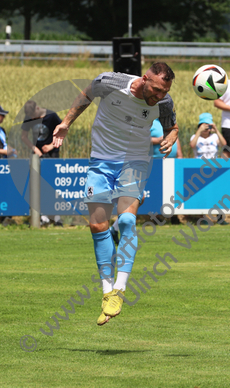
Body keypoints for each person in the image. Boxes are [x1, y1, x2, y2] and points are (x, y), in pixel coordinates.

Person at [52, 62, 178, 326]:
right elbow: (85, 96)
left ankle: (119, 290)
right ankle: (106, 291)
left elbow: (171, 126)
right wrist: (66, 123)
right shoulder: (109, 83)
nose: (159, 96)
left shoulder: (164, 102)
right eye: (155, 89)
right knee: (98, 225)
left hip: (135, 161)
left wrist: (172, 136)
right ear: (144, 79)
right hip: (101, 161)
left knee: (127, 221)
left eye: (164, 91)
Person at [110, 117, 182, 245]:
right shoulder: (145, 119)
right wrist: (159, 140)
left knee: (140, 197)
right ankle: (114, 230)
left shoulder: (165, 121)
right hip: (147, 164)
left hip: (165, 165)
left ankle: (115, 229)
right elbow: (136, 140)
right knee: (137, 197)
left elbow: (174, 134)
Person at [21, 100, 63, 226]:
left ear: (38, 108)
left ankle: (56, 217)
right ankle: (43, 217)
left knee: (53, 185)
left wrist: (51, 146)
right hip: (37, 156)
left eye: (34, 116)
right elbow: (24, 136)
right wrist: (35, 149)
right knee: (38, 186)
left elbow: (62, 131)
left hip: (52, 154)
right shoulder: (28, 117)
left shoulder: (52, 116)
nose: (33, 119)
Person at [190, 113, 228, 225]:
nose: (206, 128)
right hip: (200, 168)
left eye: (208, 126)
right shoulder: (195, 137)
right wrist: (199, 132)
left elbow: (224, 144)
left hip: (214, 168)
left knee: (218, 193)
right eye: (204, 125)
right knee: (202, 193)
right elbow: (192, 145)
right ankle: (202, 218)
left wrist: (216, 130)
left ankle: (220, 217)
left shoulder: (214, 137)